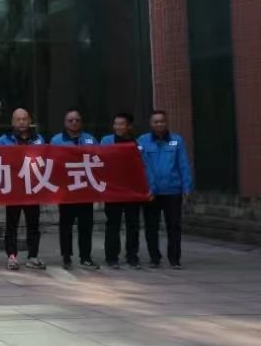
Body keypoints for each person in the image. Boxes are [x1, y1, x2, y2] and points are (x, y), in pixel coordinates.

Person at [140, 110, 192, 270]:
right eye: (156, 121)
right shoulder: (142, 141)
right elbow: (140, 166)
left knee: (174, 226)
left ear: (166, 123)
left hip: (173, 190)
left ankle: (174, 259)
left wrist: (186, 187)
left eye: (162, 121)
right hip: (151, 192)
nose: (159, 124)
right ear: (151, 124)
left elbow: (183, 164)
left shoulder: (177, 140)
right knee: (151, 227)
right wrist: (144, 188)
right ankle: (154, 258)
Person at [0, 108, 47, 270]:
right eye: (18, 119)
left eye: (24, 119)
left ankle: (33, 256)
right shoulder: (3, 140)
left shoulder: (38, 139)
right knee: (12, 224)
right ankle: (12, 256)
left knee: (33, 224)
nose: (21, 122)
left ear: (29, 120)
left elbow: (46, 161)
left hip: (33, 188)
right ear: (12, 122)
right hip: (13, 189)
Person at [50, 109, 98, 270]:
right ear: (65, 123)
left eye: (77, 120)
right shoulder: (57, 140)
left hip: (86, 190)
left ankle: (86, 257)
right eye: (70, 120)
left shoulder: (90, 140)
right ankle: (66, 256)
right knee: (66, 226)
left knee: (86, 226)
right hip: (66, 190)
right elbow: (52, 163)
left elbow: (99, 161)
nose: (74, 123)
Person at [100, 112, 142, 269]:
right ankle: (111, 257)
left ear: (129, 126)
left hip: (132, 190)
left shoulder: (137, 143)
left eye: (121, 124)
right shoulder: (106, 141)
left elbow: (143, 166)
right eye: (115, 124)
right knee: (113, 224)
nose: (117, 127)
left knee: (133, 224)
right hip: (113, 189)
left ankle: (132, 256)